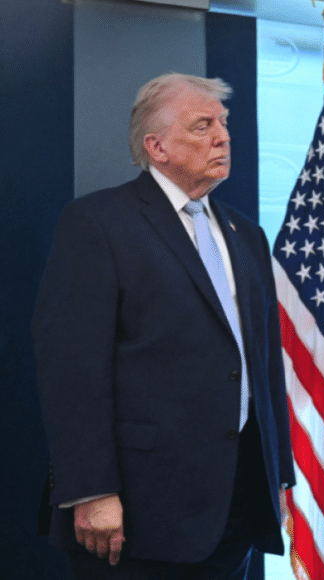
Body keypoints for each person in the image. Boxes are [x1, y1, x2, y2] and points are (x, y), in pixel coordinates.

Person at [33, 73, 295, 579]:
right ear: (157, 147)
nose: (223, 137)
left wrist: (277, 476)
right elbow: (71, 370)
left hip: (237, 505)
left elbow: (264, 366)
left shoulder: (246, 234)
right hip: (137, 512)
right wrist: (91, 489)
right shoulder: (98, 222)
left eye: (223, 124)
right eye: (202, 126)